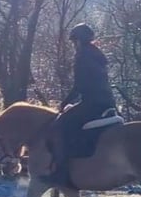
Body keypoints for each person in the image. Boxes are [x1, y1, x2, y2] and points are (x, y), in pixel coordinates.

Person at [45, 23, 116, 187]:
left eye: (74, 41)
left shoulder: (83, 57)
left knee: (62, 124)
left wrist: (64, 103)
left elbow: (80, 86)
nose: (74, 45)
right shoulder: (97, 55)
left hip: (93, 103)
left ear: (78, 41)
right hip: (107, 101)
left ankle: (61, 172)